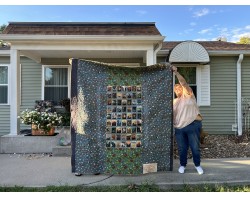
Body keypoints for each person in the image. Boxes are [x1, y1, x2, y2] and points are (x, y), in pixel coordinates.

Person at [172, 65, 204, 175]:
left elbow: (183, 83)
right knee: (182, 149)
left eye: (178, 87)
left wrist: (176, 73)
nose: (177, 89)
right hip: (179, 128)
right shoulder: (174, 102)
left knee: (195, 148)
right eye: (175, 88)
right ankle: (182, 165)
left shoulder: (189, 96)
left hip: (192, 125)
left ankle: (197, 165)